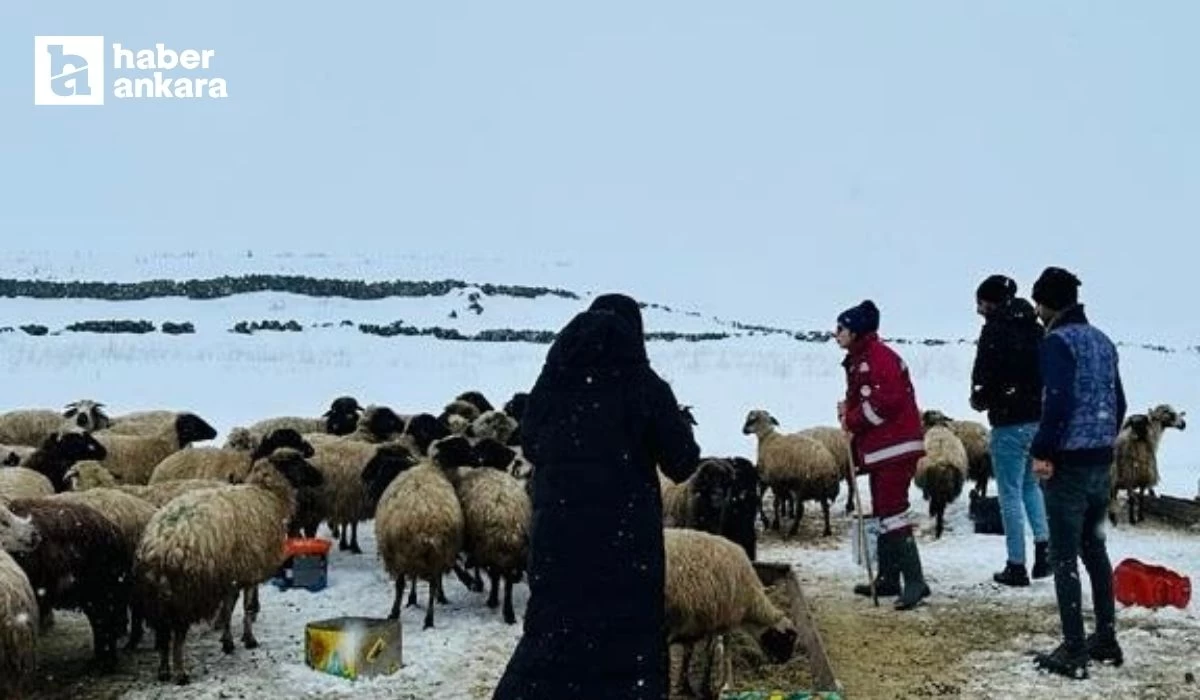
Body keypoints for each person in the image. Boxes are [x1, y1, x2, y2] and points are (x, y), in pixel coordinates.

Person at [491, 293, 701, 700]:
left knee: (555, 635)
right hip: (624, 545)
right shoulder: (643, 383)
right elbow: (682, 461)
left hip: (559, 539)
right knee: (627, 646)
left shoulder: (553, 380)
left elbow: (531, 443)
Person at [1028, 267, 1126, 680]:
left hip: (1067, 463)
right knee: (1096, 549)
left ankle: (1073, 647)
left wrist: (1044, 450)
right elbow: (1119, 402)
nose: (1036, 311)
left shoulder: (1057, 342)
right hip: (1100, 463)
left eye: (1038, 303)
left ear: (1048, 303)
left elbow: (1058, 400)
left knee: (1064, 555)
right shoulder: (1103, 341)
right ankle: (1105, 636)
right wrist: (1103, 442)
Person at [835, 300, 929, 611]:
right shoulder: (863, 358)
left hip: (895, 447)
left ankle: (915, 581)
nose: (836, 334)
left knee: (893, 511)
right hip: (882, 448)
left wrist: (853, 419)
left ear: (855, 330)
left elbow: (886, 401)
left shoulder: (878, 359)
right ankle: (889, 577)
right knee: (884, 512)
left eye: (841, 329)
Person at [969, 274, 1051, 587]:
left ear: (990, 302)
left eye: (980, 303)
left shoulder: (995, 330)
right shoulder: (1035, 328)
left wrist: (980, 398)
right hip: (1037, 420)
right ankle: (1043, 550)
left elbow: (984, 376)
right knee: (1031, 486)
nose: (978, 310)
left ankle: (1016, 564)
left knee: (1009, 494)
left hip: (1008, 422)